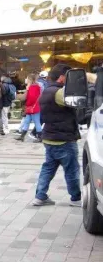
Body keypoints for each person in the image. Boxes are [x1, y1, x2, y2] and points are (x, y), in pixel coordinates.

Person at [32, 64, 81, 207]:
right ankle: (76, 198)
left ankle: (40, 196)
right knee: (71, 170)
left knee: (48, 168)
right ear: (61, 77)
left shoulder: (46, 91)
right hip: (64, 139)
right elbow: (78, 105)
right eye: (68, 77)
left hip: (50, 137)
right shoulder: (60, 93)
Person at [16, 73, 43, 142]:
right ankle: (22, 136)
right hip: (34, 107)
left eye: (27, 78)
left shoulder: (32, 87)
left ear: (30, 79)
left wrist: (27, 104)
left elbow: (32, 98)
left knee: (36, 122)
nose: (26, 79)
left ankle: (40, 137)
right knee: (27, 121)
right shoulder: (36, 86)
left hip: (32, 107)